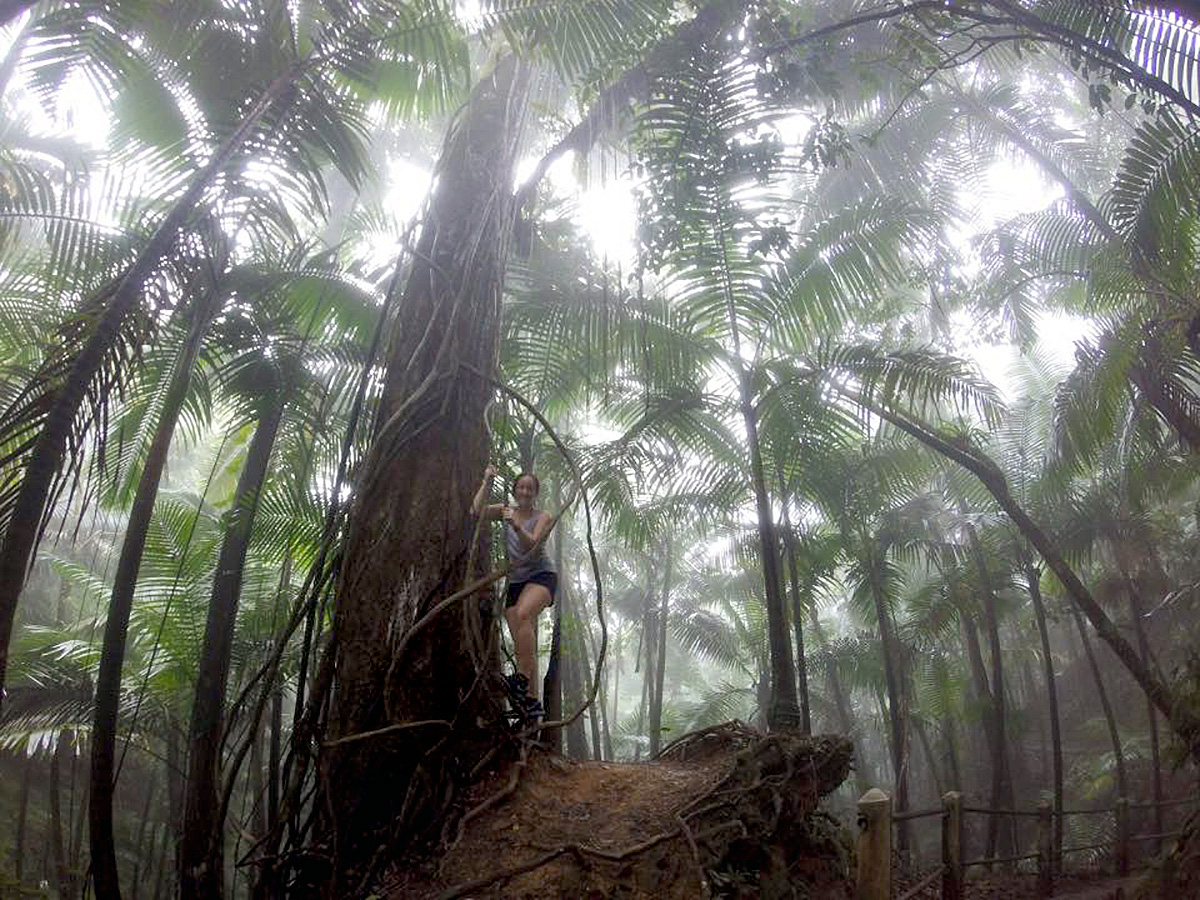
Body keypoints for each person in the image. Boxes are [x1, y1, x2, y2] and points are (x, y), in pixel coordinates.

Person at [471, 465, 557, 720]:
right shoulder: (504, 510)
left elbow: (532, 545)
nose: (525, 491)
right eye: (521, 487)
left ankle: (520, 680)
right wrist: (487, 480)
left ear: (535, 493)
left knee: (521, 615)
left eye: (530, 488)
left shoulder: (543, 516)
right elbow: (475, 511)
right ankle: (531, 701)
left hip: (541, 575)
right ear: (515, 490)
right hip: (516, 581)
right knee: (521, 638)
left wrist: (516, 525)